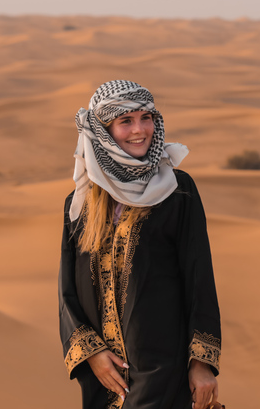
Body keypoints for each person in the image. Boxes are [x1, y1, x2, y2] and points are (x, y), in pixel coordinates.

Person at [58, 80, 223, 409]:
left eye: (146, 117)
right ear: (102, 130)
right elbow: (67, 292)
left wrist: (201, 364)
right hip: (104, 380)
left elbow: (198, 278)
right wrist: (93, 355)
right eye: (126, 121)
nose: (140, 130)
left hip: (163, 370)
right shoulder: (79, 204)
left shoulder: (177, 191)